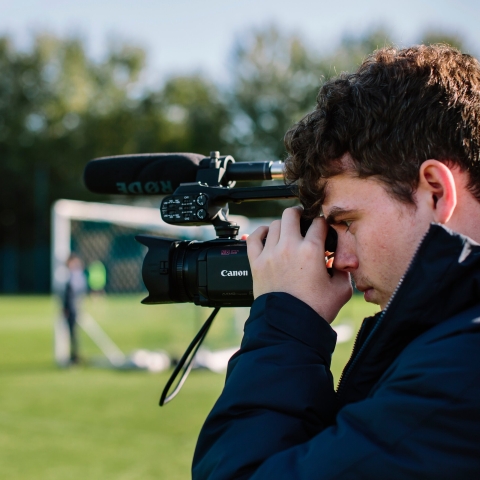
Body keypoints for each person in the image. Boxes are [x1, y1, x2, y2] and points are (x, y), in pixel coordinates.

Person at [192, 44, 480, 479]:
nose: (340, 259)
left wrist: (285, 327)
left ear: (435, 191)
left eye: (346, 222)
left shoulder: (461, 369)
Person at [62, 254, 87, 364]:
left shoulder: (75, 276)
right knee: (72, 333)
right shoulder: (78, 275)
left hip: (73, 308)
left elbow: (71, 294)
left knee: (73, 334)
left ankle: (75, 357)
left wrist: (67, 308)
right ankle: (74, 355)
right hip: (74, 307)